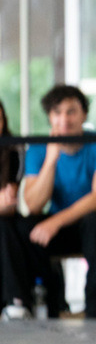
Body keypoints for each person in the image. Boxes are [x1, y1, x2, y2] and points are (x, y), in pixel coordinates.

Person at [0, 85, 96, 319]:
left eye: (71, 112)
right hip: (61, 230)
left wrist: (55, 221)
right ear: (49, 117)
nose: (64, 119)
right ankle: (42, 300)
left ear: (84, 115)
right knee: (24, 227)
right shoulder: (39, 148)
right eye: (57, 113)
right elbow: (34, 204)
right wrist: (51, 159)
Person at [0, 98, 23, 319]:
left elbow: (8, 204)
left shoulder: (13, 151)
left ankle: (14, 300)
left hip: (5, 218)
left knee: (5, 226)